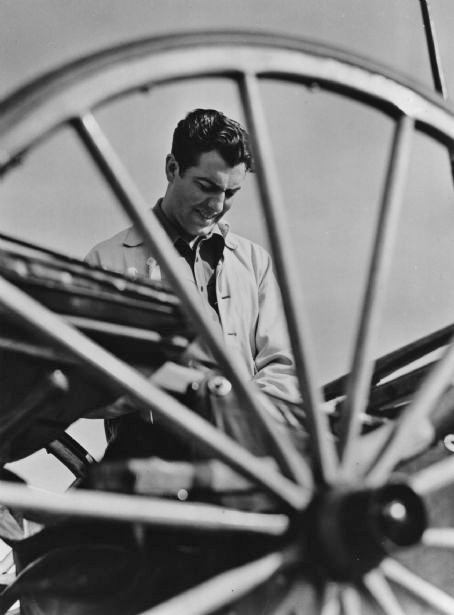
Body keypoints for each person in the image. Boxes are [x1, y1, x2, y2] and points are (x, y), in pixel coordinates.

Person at [86, 108, 303, 458]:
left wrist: (242, 420)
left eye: (231, 192)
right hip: (152, 465)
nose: (217, 205)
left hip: (248, 459)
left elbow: (282, 366)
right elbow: (82, 387)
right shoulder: (106, 262)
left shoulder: (254, 262)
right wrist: (163, 385)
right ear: (172, 168)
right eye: (206, 186)